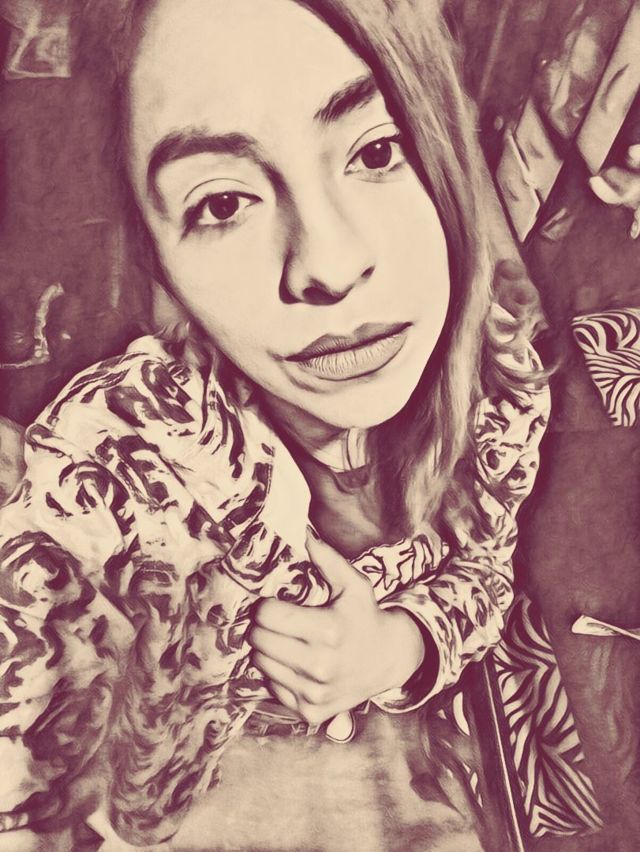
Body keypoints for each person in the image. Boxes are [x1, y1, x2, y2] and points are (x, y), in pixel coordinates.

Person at [0, 0, 550, 848]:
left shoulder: (500, 383)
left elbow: (486, 570)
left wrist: (397, 647)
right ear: (158, 260)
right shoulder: (113, 459)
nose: (329, 265)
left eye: (375, 152)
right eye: (223, 202)